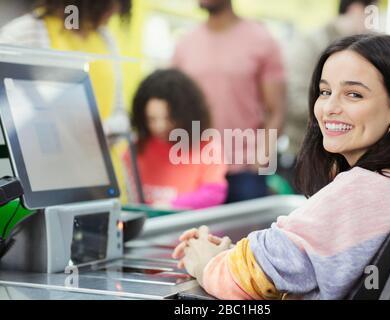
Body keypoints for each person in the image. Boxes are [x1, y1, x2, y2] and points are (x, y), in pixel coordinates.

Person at [171, 34, 390, 299]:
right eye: (325, 91)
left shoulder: (364, 190)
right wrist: (236, 256)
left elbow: (243, 278)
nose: (329, 108)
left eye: (353, 95)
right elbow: (296, 264)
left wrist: (204, 261)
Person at [0, 0, 134, 202]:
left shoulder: (106, 39)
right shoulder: (23, 34)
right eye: (113, 3)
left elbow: (120, 111)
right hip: (49, 182)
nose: (115, 11)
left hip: (103, 179)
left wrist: (103, 130)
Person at [172, 0, 286, 203]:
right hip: (196, 171)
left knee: (246, 235)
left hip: (244, 171)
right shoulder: (185, 44)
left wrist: (260, 159)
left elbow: (276, 110)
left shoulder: (261, 40)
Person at [282, 0, 378, 180]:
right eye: (325, 92)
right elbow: (294, 100)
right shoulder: (310, 44)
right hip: (309, 154)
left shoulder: (369, 48)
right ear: (358, 9)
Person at [126, 69, 228, 210]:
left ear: (185, 115)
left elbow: (213, 194)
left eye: (168, 119)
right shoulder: (137, 148)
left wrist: (168, 206)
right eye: (151, 119)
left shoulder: (207, 147)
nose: (159, 127)